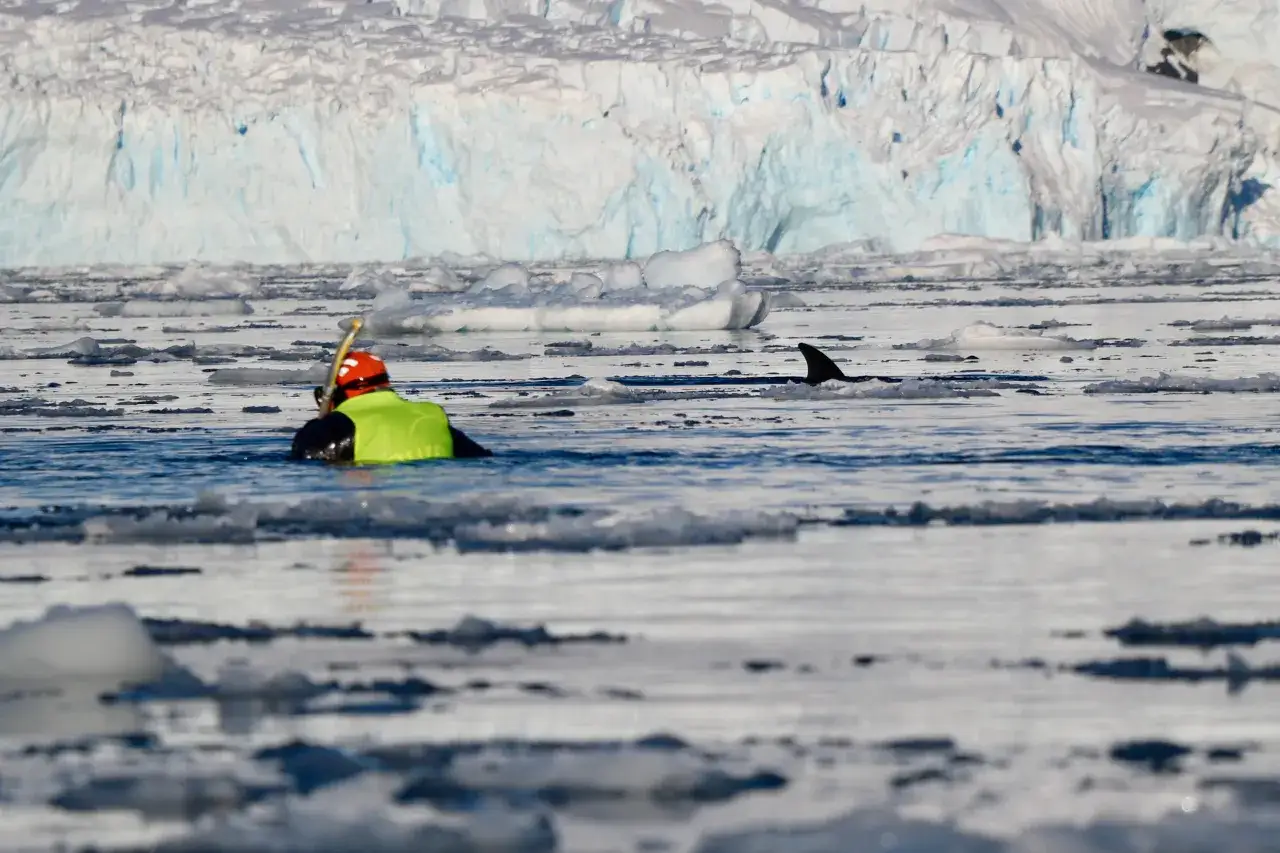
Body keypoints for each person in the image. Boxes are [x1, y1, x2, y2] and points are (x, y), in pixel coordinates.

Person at [290, 351, 493, 464]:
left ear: (338, 393)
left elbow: (306, 459)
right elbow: (483, 459)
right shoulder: (433, 415)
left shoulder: (336, 426)